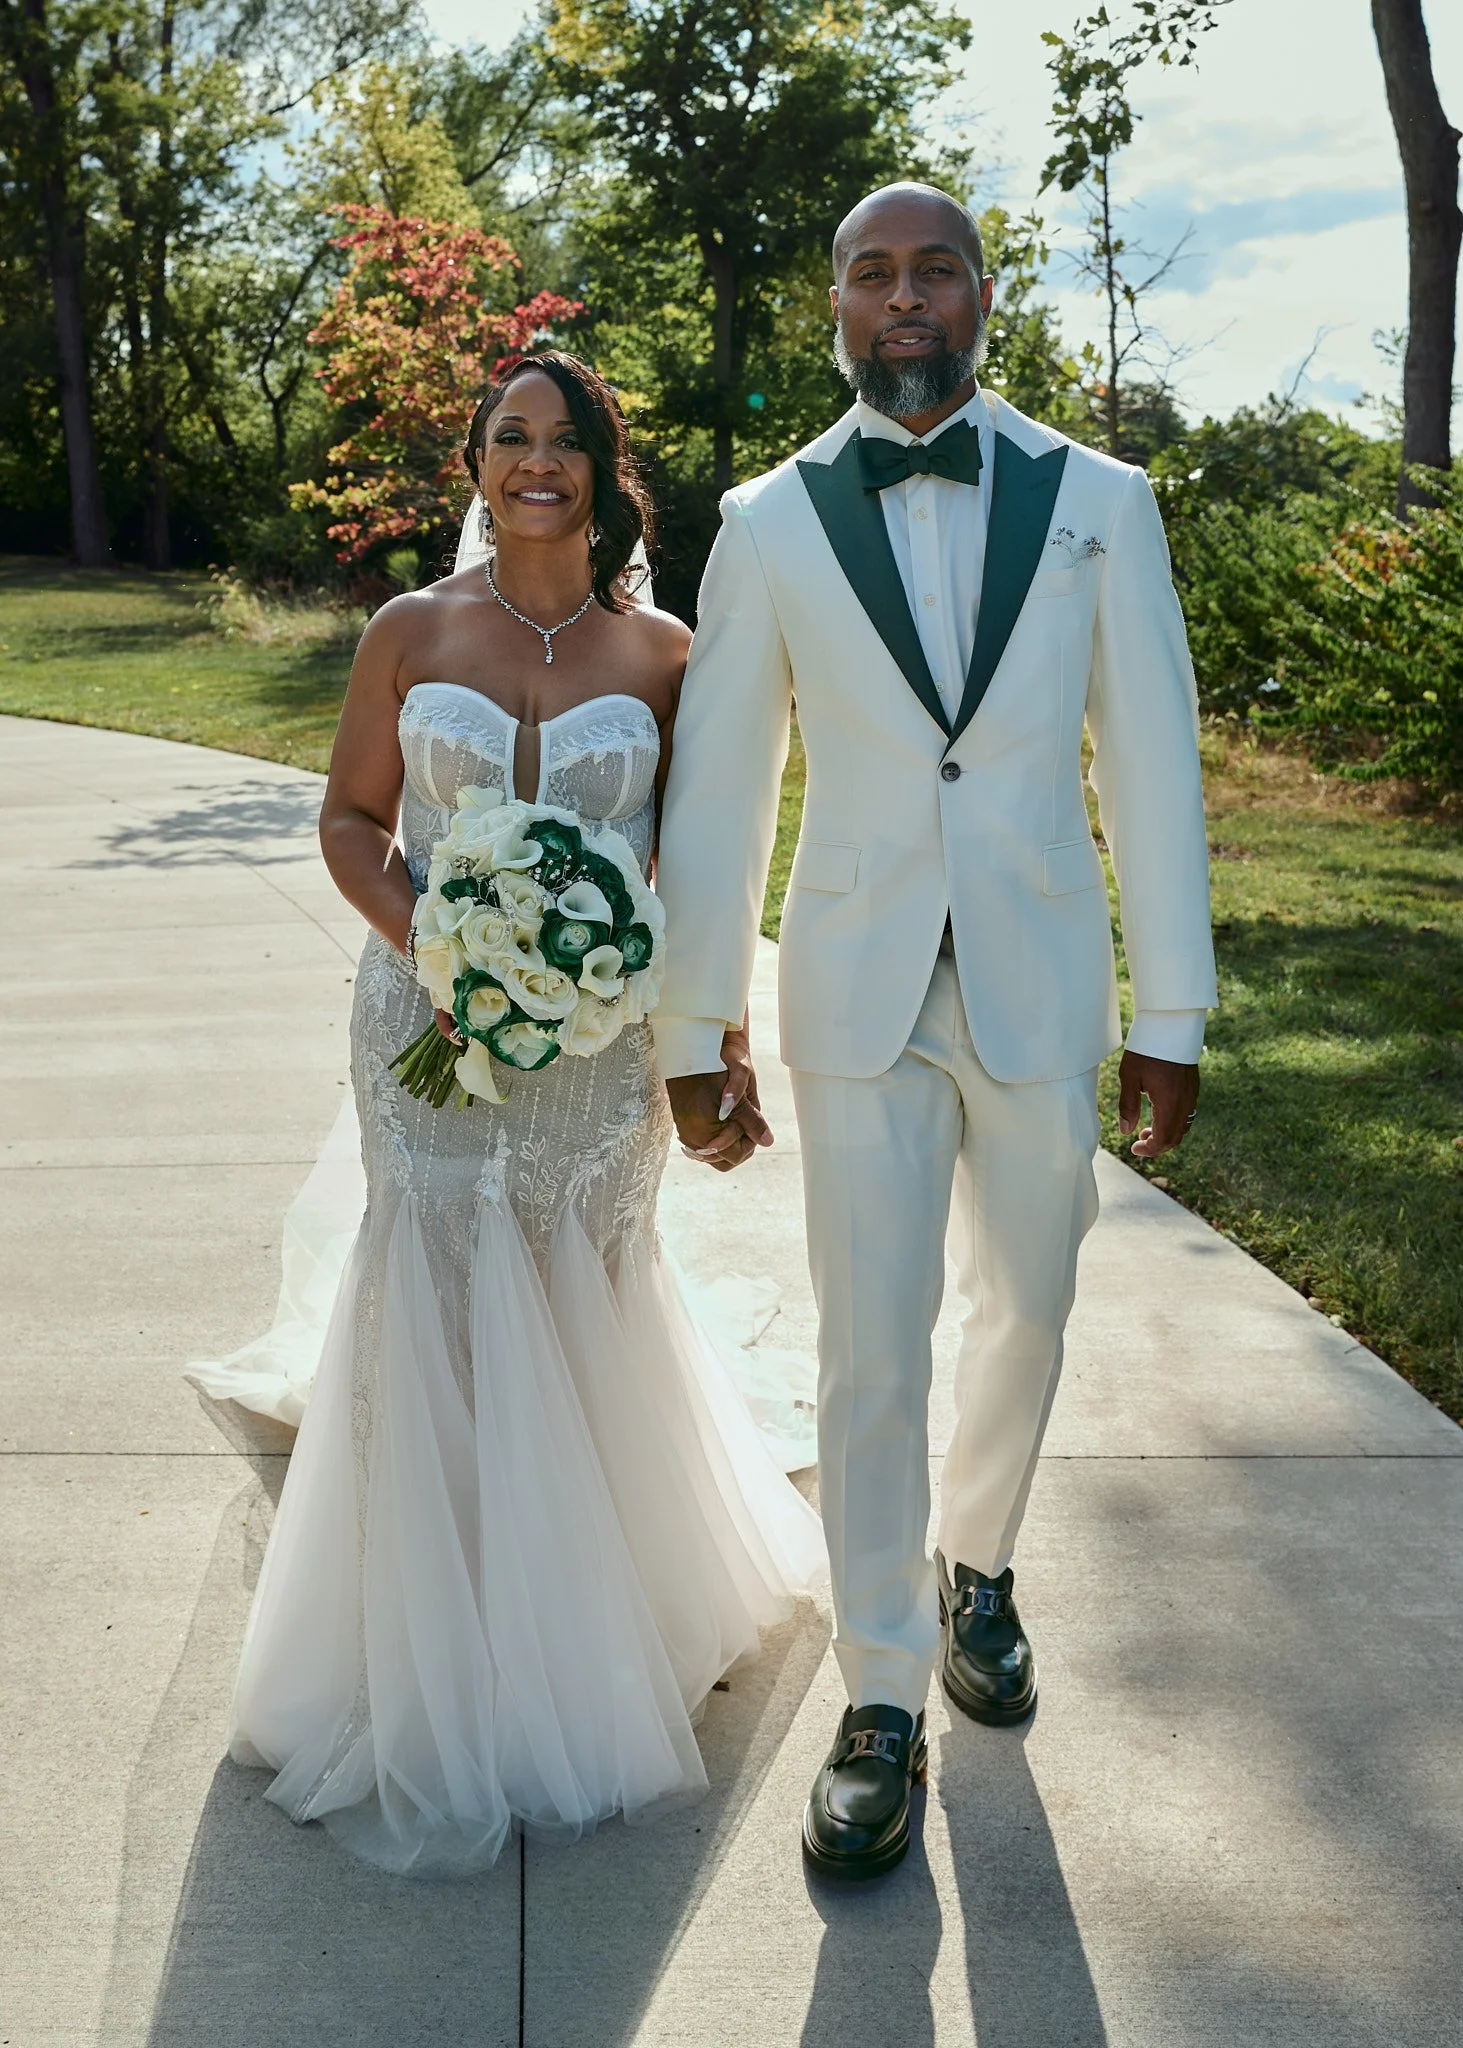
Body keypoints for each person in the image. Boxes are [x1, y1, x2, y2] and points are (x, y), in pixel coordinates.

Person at [655, 183, 1217, 1880]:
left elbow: (1155, 759)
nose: (902, 296)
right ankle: (882, 1687)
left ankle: (981, 1563)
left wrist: (1171, 1004)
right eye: (870, 272)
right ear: (835, 302)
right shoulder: (765, 520)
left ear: (982, 295)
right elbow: (724, 786)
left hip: (1041, 978)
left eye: (933, 269)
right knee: (868, 1343)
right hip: (856, 989)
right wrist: (697, 1018)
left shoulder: (1100, 503)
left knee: (1026, 1314)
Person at [209, 350, 823, 1876]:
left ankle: (592, 1610)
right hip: (420, 1013)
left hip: (604, 1050)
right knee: (431, 1278)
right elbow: (353, 818)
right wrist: (438, 942)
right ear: (474, 465)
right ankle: (425, 1612)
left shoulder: (672, 653)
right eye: (508, 438)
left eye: (563, 442)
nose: (533, 464)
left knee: (574, 1272)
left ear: (607, 471)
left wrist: (713, 1044)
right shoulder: (411, 631)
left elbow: (712, 865)